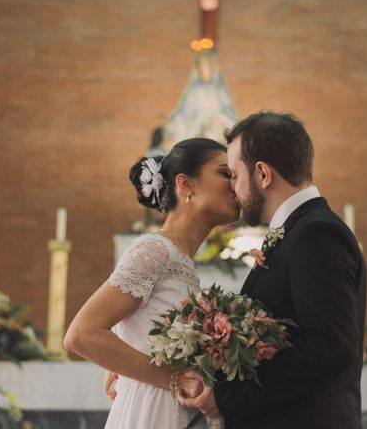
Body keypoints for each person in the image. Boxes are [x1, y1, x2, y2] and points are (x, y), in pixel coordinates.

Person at [179, 112, 367, 428]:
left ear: (264, 174)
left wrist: (228, 396)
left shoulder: (316, 234)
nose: (233, 189)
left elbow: (331, 347)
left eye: (235, 175)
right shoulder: (299, 231)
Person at [64, 138, 239, 428]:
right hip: (152, 412)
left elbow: (139, 326)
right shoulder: (155, 249)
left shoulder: (179, 259)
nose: (234, 183)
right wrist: (175, 378)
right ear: (186, 185)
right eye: (225, 173)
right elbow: (81, 334)